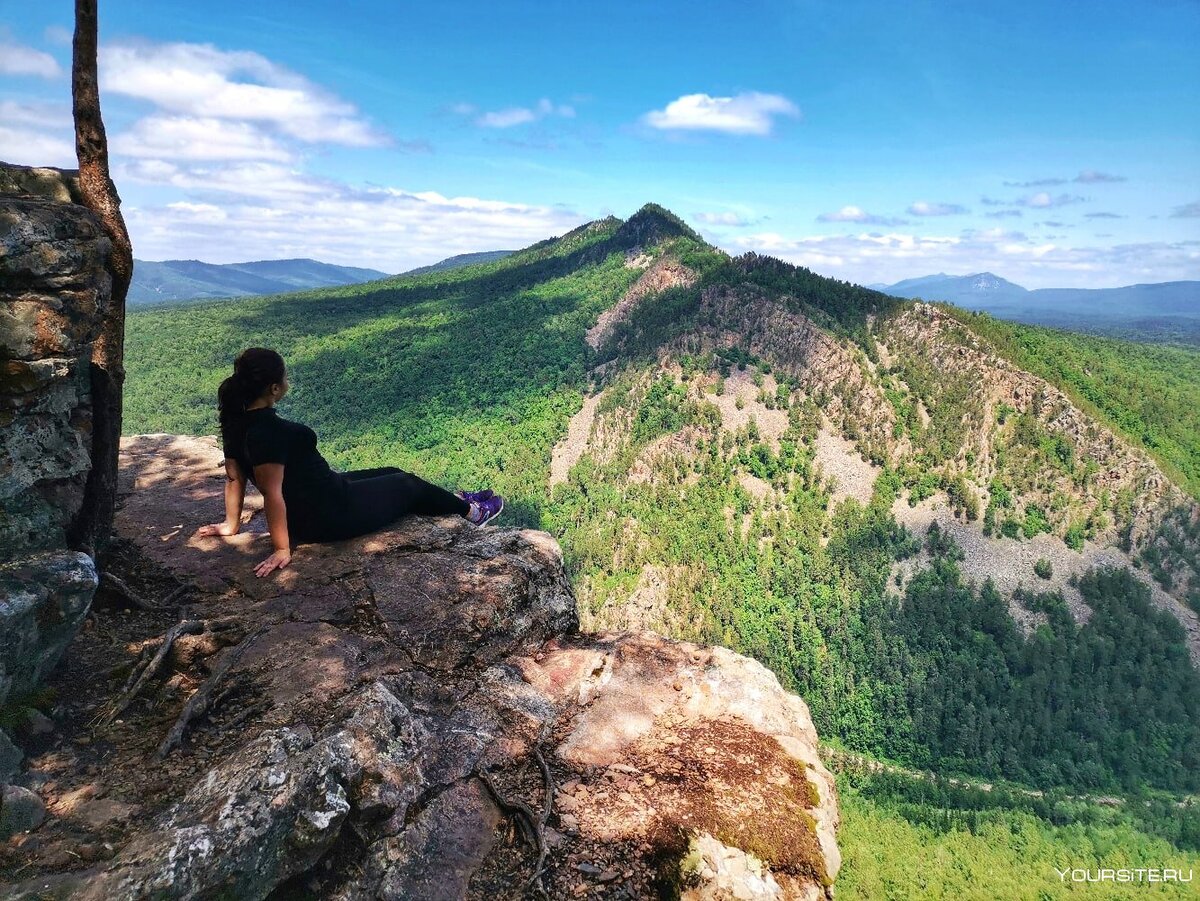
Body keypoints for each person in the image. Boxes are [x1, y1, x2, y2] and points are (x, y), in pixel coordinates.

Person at [197, 347, 504, 577]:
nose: (287, 381)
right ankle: (472, 512)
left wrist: (230, 525)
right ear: (274, 389)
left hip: (327, 495)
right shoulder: (273, 432)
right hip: (333, 513)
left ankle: (452, 501)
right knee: (406, 484)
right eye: (285, 378)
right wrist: (281, 548)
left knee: (393, 472)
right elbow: (272, 492)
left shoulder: (236, 424)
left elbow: (234, 479)